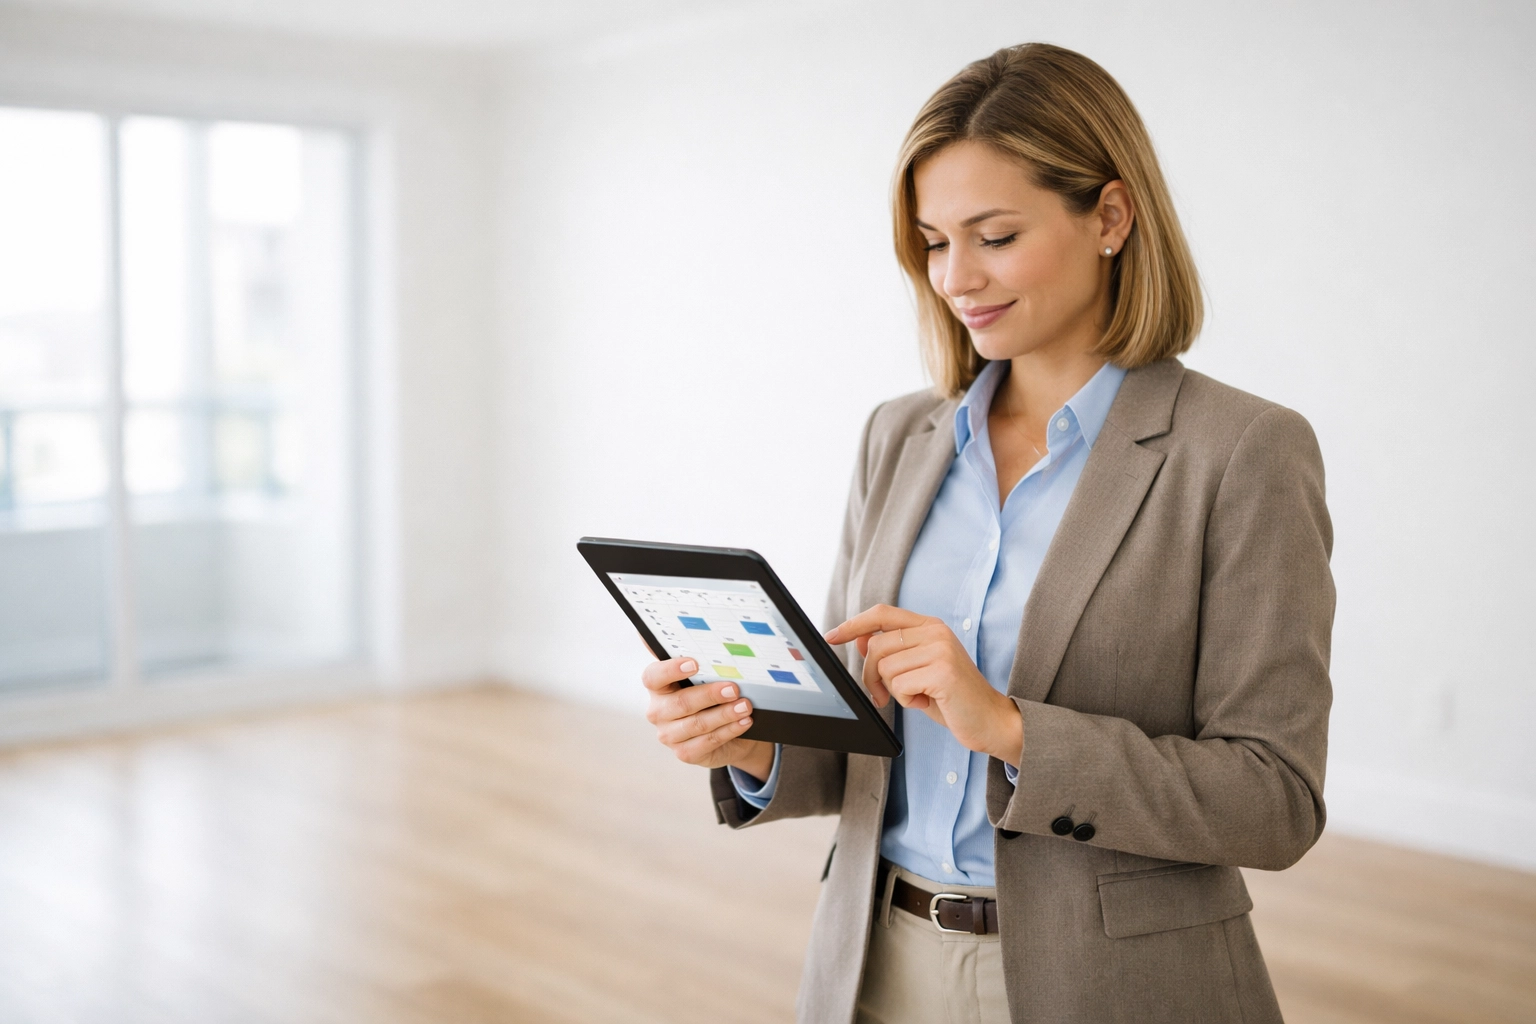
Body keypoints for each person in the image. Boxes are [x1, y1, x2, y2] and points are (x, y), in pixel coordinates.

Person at [640, 42, 1333, 1024]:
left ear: (1110, 216)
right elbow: (859, 747)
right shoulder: (899, 435)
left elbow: (1275, 799)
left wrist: (1010, 727)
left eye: (994, 235)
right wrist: (745, 745)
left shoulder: (1242, 451)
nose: (956, 278)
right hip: (875, 966)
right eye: (931, 242)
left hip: (1117, 988)